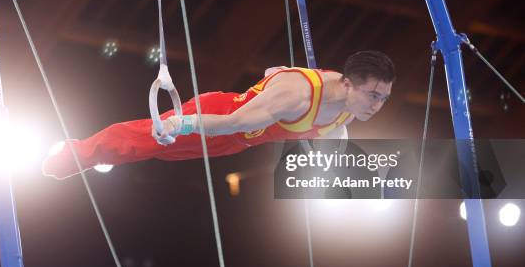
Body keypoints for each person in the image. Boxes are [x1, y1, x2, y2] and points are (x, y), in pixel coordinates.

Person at [42, 50, 395, 179]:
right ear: (348, 84)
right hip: (217, 118)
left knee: (157, 154)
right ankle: (74, 155)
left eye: (383, 98)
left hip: (238, 143)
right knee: (147, 139)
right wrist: (180, 124)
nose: (377, 105)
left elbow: (334, 131)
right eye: (373, 96)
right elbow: (233, 122)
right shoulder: (297, 96)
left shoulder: (351, 106)